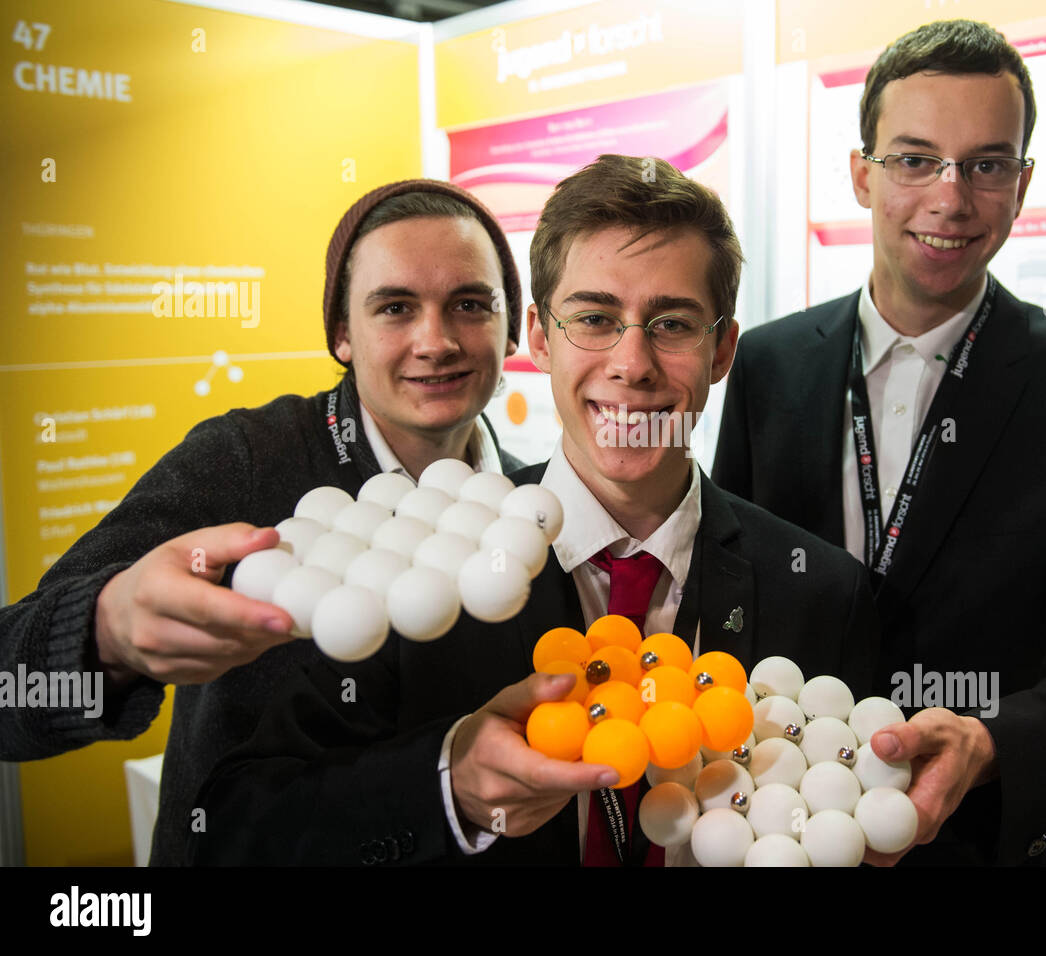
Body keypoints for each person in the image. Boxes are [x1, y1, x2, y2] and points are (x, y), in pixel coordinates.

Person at [189, 154, 880, 866]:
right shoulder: (417, 569)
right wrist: (447, 789)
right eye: (594, 318)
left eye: (672, 324)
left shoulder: (823, 593)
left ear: (721, 350)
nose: (632, 363)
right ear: (542, 339)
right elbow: (236, 823)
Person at [712, 19, 1046, 865]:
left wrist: (994, 744)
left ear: (1021, 185)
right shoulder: (767, 362)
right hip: (766, 832)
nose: (951, 197)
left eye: (986, 165)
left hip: (967, 847)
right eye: (914, 159)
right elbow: (730, 593)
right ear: (862, 175)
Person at [0, 179, 526, 865]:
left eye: (469, 304)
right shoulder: (246, 459)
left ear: (511, 326)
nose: (436, 340)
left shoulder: (523, 502)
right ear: (342, 334)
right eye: (395, 308)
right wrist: (108, 634)